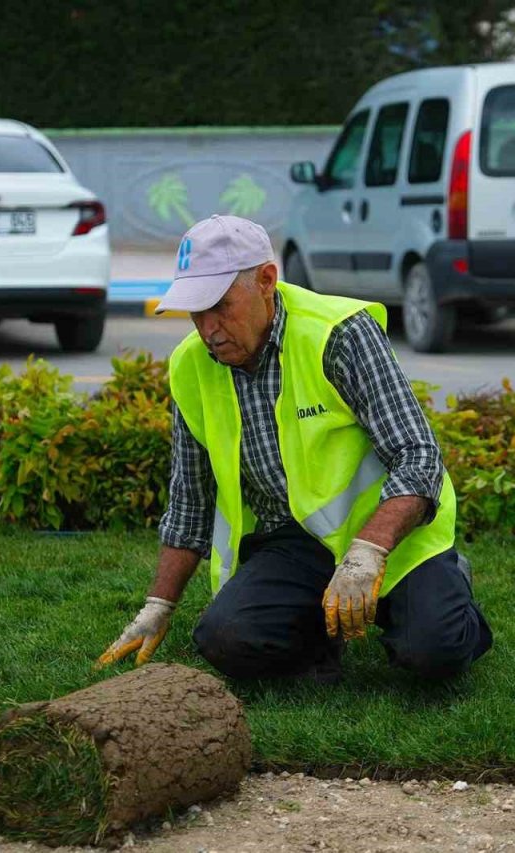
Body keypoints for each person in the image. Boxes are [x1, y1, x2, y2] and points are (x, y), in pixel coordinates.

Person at [95, 215, 492, 682]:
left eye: (220, 306)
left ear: (266, 280)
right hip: (293, 543)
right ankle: (324, 636)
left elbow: (418, 456)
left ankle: (448, 588)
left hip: (390, 536)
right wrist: (158, 606)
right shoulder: (191, 366)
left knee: (433, 654)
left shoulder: (339, 334)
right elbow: (190, 502)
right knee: (226, 639)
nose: (208, 329)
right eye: (195, 312)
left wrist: (367, 554)